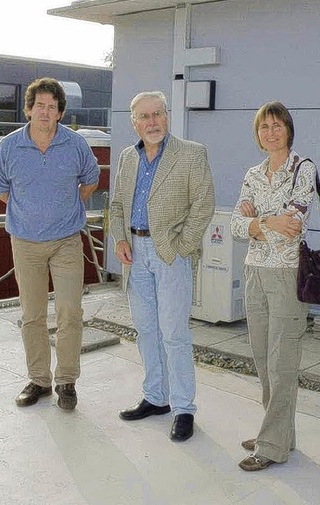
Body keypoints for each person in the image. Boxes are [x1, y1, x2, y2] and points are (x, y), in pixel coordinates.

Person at [0, 78, 100, 410]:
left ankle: (67, 381)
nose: (45, 112)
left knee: (70, 311)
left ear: (60, 113)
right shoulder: (9, 146)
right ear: (29, 109)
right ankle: (39, 380)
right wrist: (28, 212)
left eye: (52, 107)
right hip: (25, 243)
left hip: (66, 241)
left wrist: (64, 209)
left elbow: (90, 180)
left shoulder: (76, 144)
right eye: (40, 106)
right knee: (32, 314)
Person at [109, 91, 215, 441]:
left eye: (158, 114)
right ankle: (156, 398)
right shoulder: (127, 156)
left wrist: (182, 247)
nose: (152, 122)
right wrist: (121, 240)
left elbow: (203, 205)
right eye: (144, 116)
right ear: (134, 123)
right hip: (134, 254)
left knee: (174, 334)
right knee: (146, 330)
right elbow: (118, 204)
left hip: (171, 254)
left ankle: (183, 407)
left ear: (167, 117)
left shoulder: (191, 153)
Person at [229, 101, 316, 471]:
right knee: (263, 358)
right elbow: (234, 225)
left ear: (288, 129)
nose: (271, 132)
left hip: (286, 274)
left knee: (283, 362)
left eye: (277, 125)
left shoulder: (303, 169)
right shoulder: (253, 173)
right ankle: (279, 432)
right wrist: (269, 220)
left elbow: (293, 224)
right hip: (254, 271)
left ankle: (272, 444)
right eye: (264, 127)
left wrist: (256, 222)